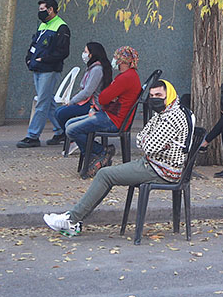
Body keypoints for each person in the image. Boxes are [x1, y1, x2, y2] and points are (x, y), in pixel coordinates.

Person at [44, 80, 190, 236]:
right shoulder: (165, 112)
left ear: (169, 95)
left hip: (161, 170)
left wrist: (147, 140)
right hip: (152, 163)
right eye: (152, 95)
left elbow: (148, 147)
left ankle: (72, 220)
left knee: (105, 174)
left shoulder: (171, 117)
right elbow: (140, 138)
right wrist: (148, 139)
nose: (155, 99)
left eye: (159, 95)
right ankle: (74, 219)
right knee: (106, 174)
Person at [63, 46, 142, 172]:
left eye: (116, 57)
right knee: (69, 124)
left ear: (122, 61)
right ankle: (94, 155)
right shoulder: (129, 76)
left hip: (113, 120)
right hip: (110, 116)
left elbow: (103, 98)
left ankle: (99, 152)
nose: (114, 60)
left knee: (72, 130)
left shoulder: (126, 77)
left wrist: (110, 96)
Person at [16, 0, 71, 148]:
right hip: (38, 67)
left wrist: (44, 59)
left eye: (42, 9)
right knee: (48, 101)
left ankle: (33, 136)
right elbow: (34, 44)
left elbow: (63, 52)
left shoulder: (61, 27)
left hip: (49, 69)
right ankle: (61, 131)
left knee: (42, 102)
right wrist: (29, 59)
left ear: (51, 9)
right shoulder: (43, 25)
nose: (40, 12)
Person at [52, 41, 110, 150]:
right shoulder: (92, 68)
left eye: (85, 52)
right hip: (86, 102)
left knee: (61, 113)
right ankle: (74, 138)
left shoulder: (97, 69)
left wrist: (72, 101)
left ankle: (76, 138)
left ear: (92, 54)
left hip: (93, 105)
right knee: (59, 112)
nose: (83, 54)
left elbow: (88, 91)